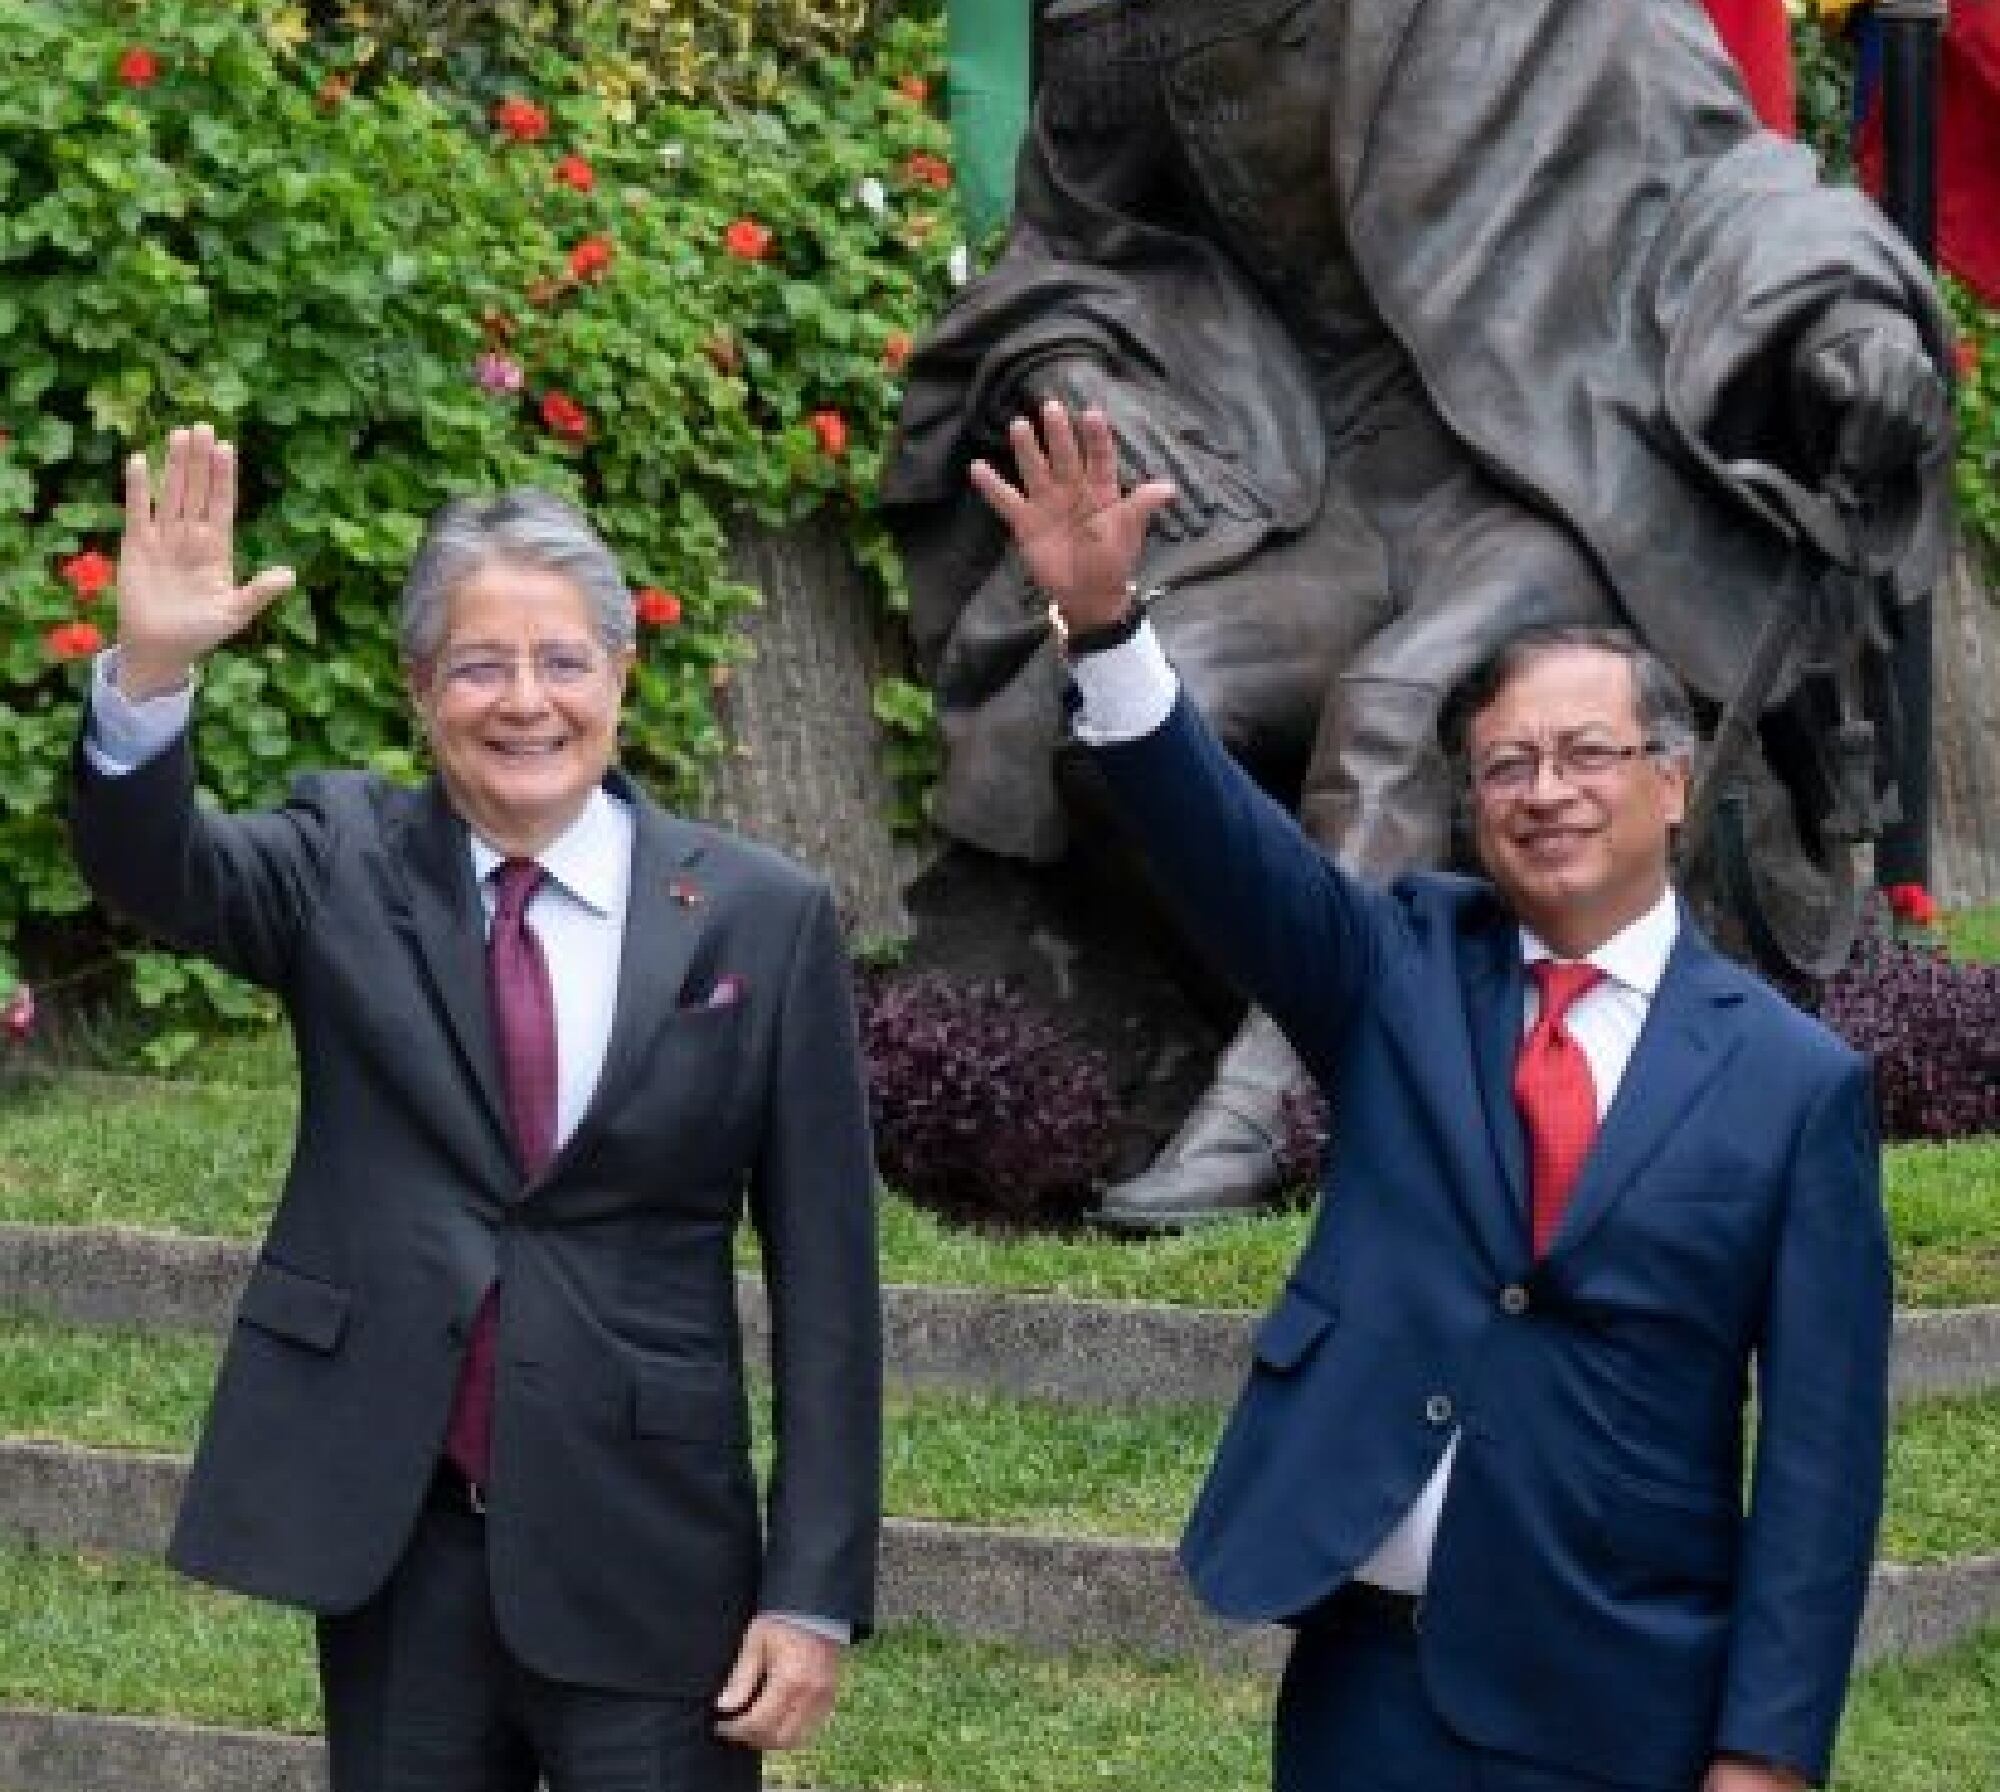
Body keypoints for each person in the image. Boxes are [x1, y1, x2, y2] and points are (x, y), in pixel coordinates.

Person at [884, 0, 1951, 1227]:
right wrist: (1072, 372)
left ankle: (1271, 1109)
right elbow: (1075, 253)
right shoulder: (1129, 19)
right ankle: (1410, 1043)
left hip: (1548, 472)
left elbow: (1727, 182)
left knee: (1395, 702)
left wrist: (1847, 325)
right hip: (1315, 490)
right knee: (1118, 713)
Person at [972, 399, 1892, 1792]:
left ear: (1672, 783)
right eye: (1507, 764)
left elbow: (1823, 1465)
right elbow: (1230, 855)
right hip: (1369, 1693)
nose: (1546, 791)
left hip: (1619, 1699)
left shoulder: (1793, 1086)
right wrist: (1105, 630)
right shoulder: (1401, 964)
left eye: (1587, 755)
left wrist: (1766, 1757)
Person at [69, 425, 882, 1792]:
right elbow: (154, 864)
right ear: (417, 687)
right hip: (401, 1539)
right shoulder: (339, 864)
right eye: (481, 665)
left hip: (651, 1549)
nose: (526, 702)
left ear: (622, 674)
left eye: (563, 662)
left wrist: (810, 1592)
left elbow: (828, 1288)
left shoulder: (759, 916)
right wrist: (151, 673)